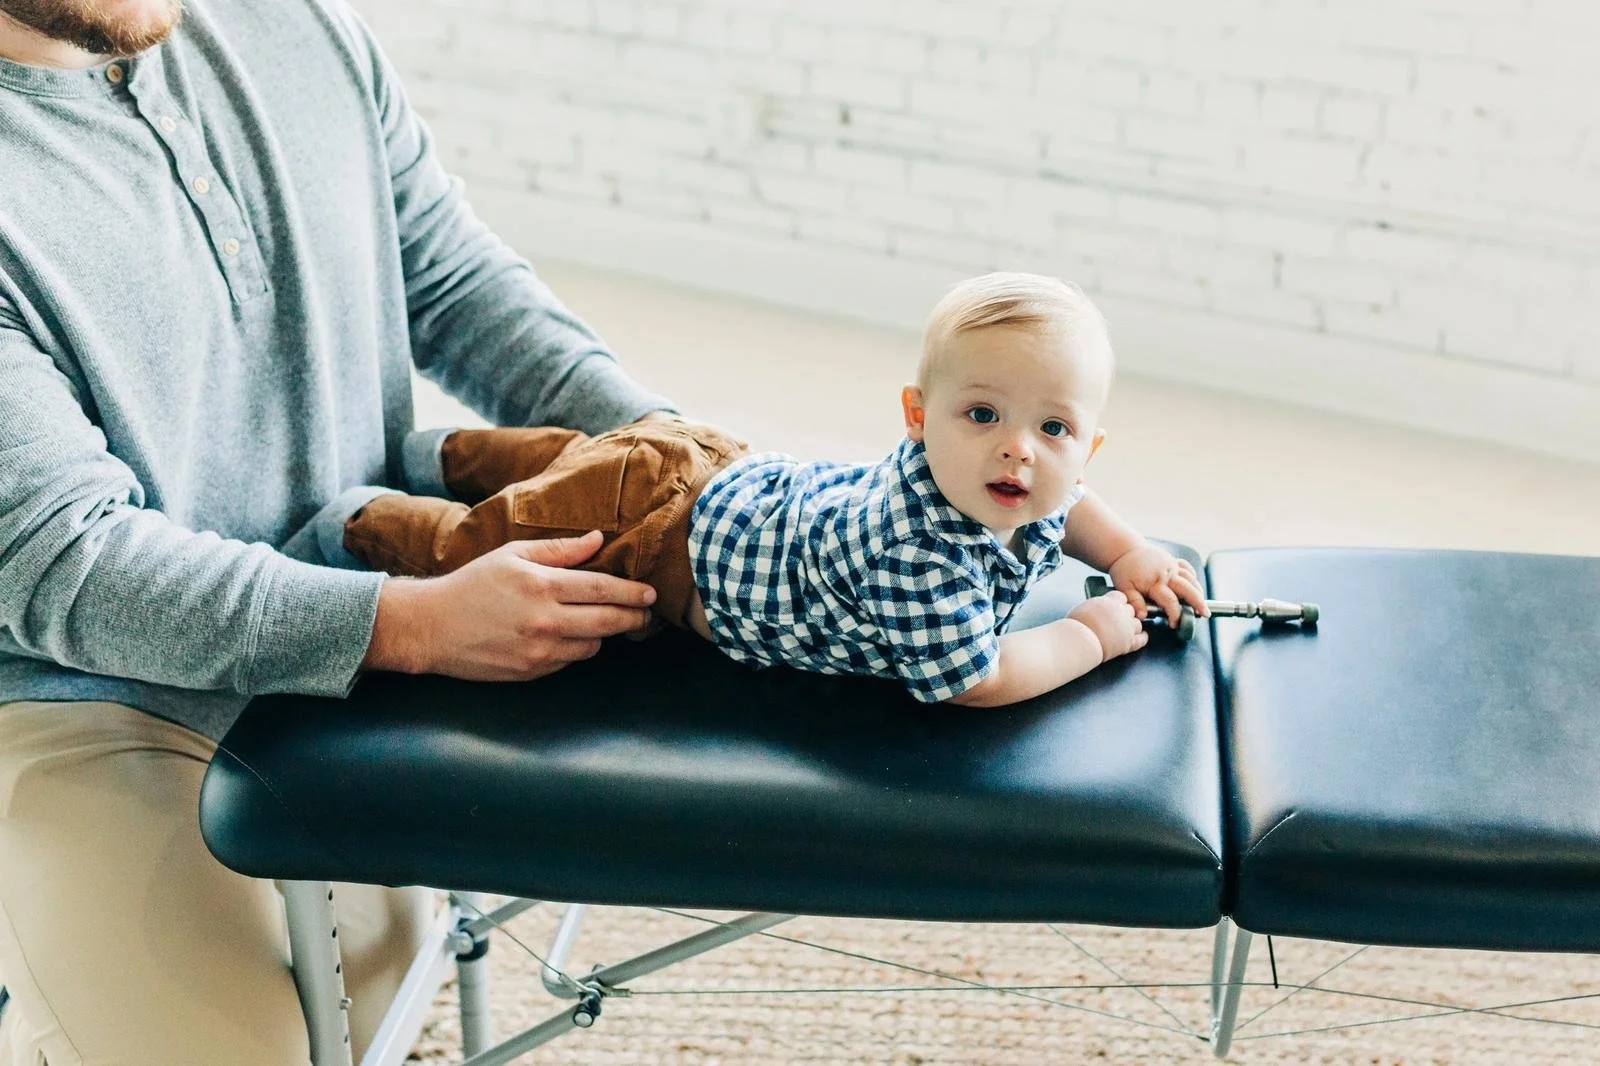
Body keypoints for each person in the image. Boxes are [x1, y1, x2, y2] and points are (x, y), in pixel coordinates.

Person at [0, 0, 676, 1061]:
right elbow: (65, 558)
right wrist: (412, 626)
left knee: (365, 1013)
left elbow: (454, 284)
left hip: (346, 623)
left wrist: (669, 454)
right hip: (81, 696)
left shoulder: (292, 27)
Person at [341, 272, 1212, 706]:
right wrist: (1091, 636)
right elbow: (976, 678)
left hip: (710, 462)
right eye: (981, 415)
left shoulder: (1023, 479)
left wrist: (1132, 554)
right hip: (660, 540)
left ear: (1085, 443)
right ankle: (367, 519)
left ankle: (444, 453)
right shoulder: (916, 551)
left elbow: (1073, 507)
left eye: (1053, 430)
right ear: (918, 413)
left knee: (574, 459)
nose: (1019, 453)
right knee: (507, 534)